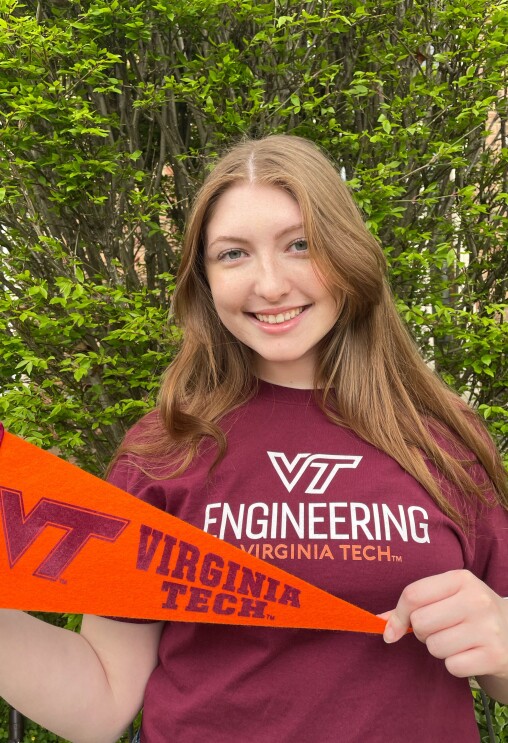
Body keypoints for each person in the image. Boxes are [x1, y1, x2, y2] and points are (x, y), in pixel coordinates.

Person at [0, 134, 507, 743]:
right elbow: (102, 702)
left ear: (346, 253)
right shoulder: (164, 450)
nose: (269, 285)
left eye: (300, 245)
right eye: (233, 255)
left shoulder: (445, 437)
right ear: (204, 279)